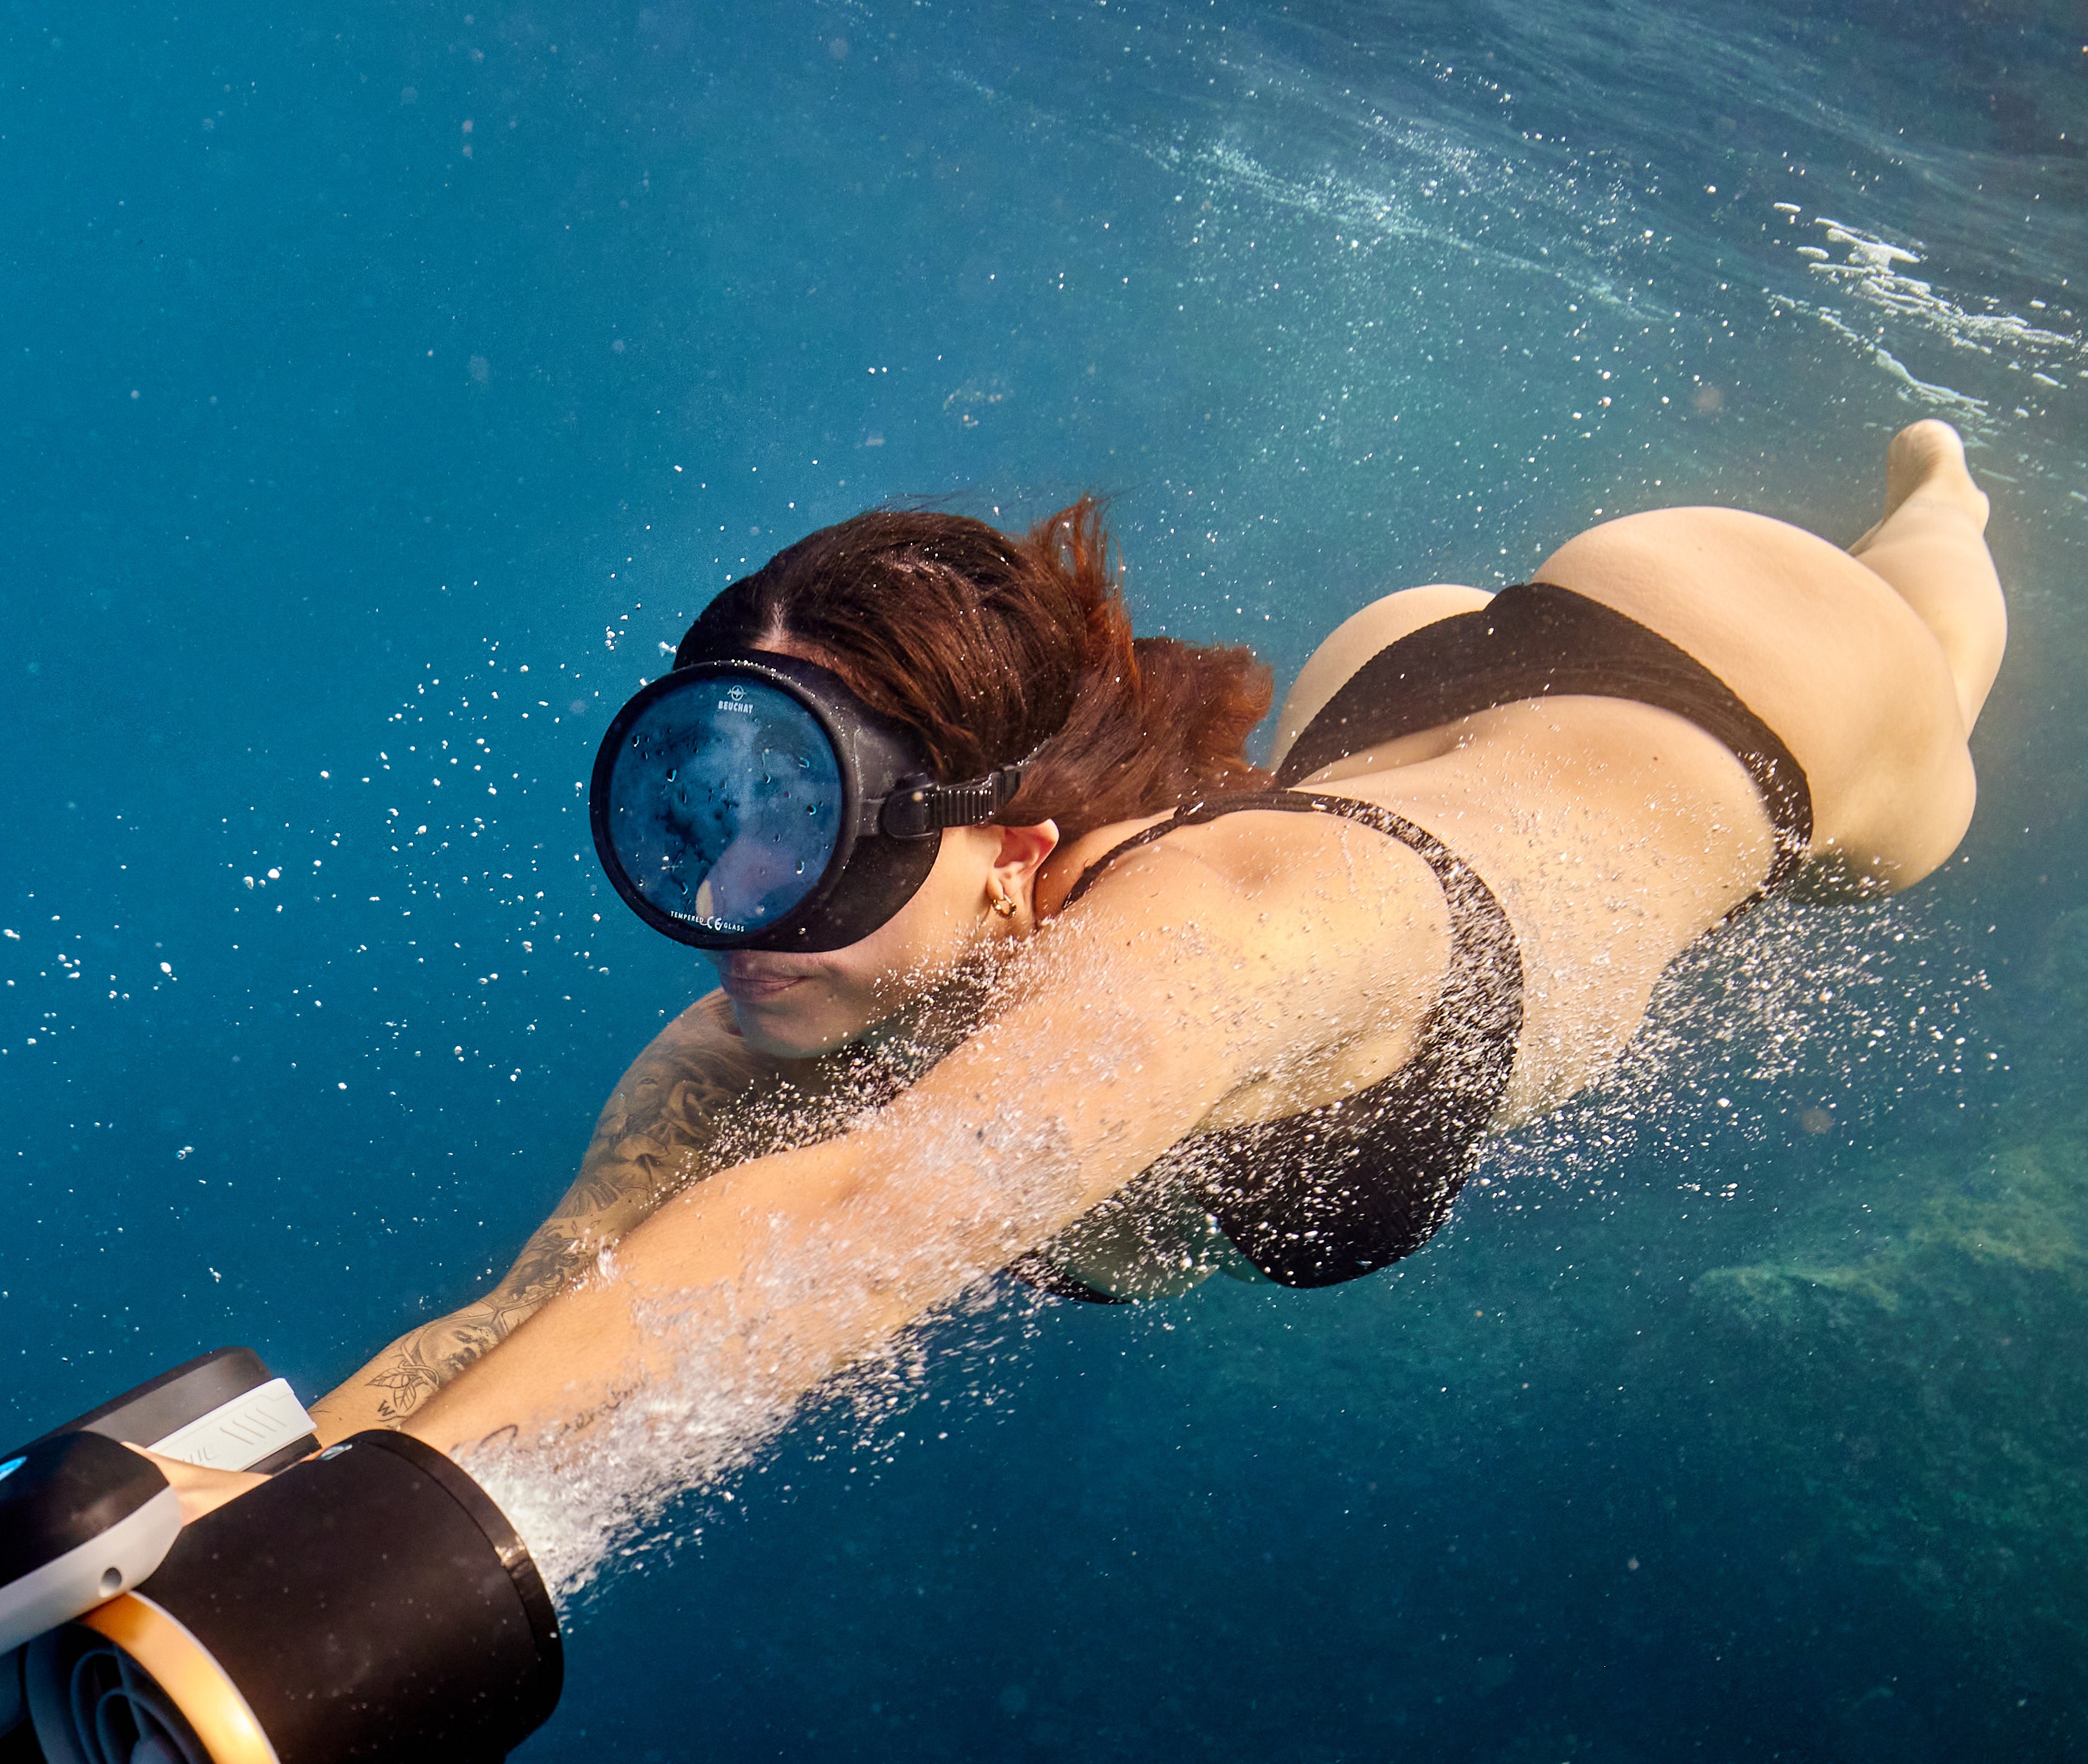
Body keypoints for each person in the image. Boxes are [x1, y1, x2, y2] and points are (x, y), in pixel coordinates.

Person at [153, 422, 2006, 1511]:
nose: (730, 900)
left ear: (1010, 848)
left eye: (799, 831)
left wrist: (374, 1541)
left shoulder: (1211, 950)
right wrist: (234, 1503)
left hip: (1741, 673)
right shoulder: (771, 1015)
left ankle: (1951, 486)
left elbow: (863, 1219)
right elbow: (540, 1310)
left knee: (1928, 659)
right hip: (1397, 709)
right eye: (700, 811)